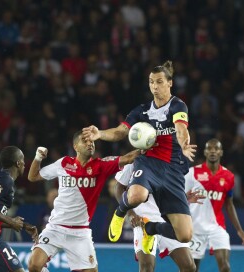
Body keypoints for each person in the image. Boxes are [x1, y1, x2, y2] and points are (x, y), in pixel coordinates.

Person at [27, 131, 139, 272]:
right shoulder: (64, 163)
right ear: (75, 146)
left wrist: (148, 145)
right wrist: (38, 157)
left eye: (92, 142)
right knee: (33, 266)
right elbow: (33, 176)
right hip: (56, 227)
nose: (90, 144)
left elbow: (128, 158)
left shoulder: (101, 165)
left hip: (80, 232)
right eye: (85, 141)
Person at [82, 60, 197, 257]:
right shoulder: (141, 111)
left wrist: (184, 142)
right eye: (151, 82)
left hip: (173, 170)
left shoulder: (178, 105)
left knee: (185, 235)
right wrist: (99, 134)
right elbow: (120, 132)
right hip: (148, 162)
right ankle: (120, 212)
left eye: (159, 81)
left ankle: (151, 229)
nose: (155, 86)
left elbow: (180, 128)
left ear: (170, 83)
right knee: (136, 196)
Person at [114, 163, 198, 272]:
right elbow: (119, 187)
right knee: (147, 268)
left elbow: (168, 192)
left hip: (167, 219)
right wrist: (129, 214)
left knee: (189, 267)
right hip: (143, 221)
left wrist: (184, 198)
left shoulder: (171, 163)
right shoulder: (138, 162)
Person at [184, 139, 244, 272]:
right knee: (192, 271)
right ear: (205, 152)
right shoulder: (192, 173)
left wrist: (239, 229)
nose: (213, 151)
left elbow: (229, 204)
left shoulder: (228, 176)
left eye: (216, 149)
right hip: (194, 229)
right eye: (209, 149)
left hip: (217, 228)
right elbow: (179, 196)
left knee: (225, 267)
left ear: (221, 153)